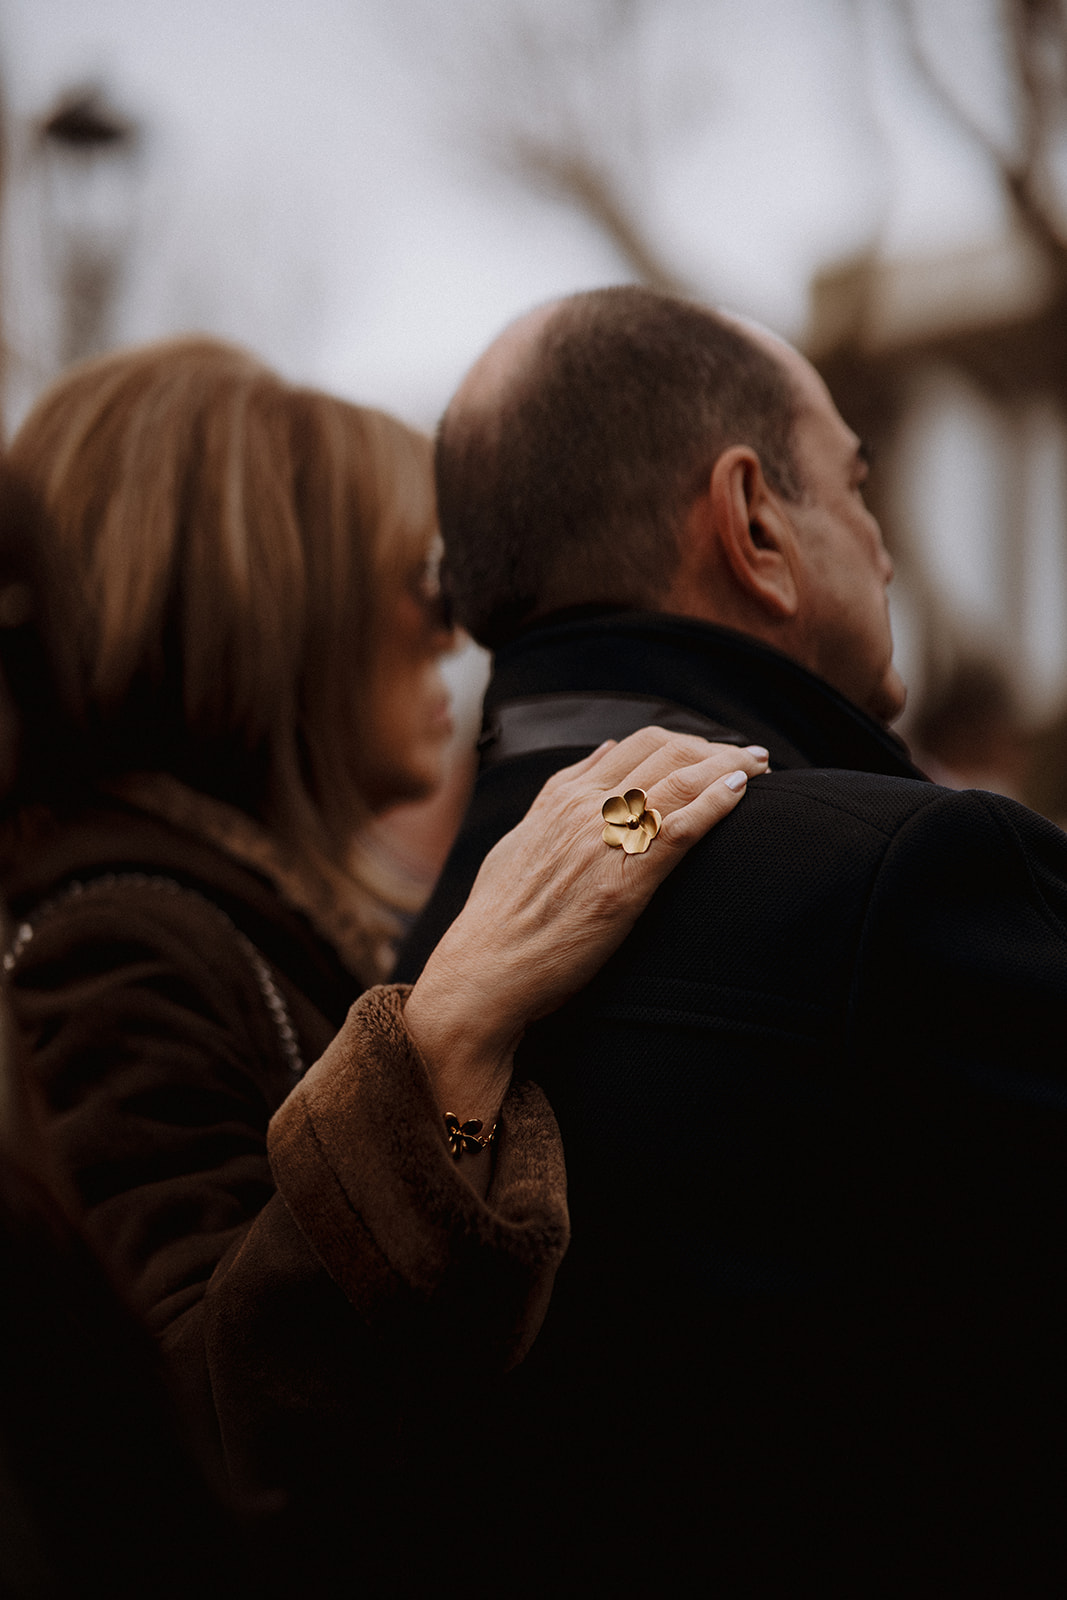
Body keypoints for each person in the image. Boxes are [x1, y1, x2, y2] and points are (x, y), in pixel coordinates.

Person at [0, 338, 765, 1593]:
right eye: (417, 576)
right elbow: (187, 1440)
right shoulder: (107, 938)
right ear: (265, 606)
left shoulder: (229, 912)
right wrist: (450, 1026)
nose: (449, 621)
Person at [399, 286, 1067, 1594]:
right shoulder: (914, 878)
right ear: (752, 521)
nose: (882, 550)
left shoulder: (417, 940)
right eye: (856, 488)